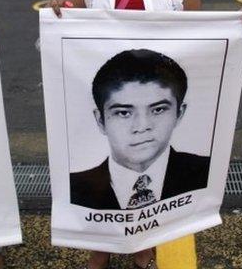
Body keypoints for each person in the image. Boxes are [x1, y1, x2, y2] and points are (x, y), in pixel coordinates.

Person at [46, 0, 242, 269]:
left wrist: (235, 30)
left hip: (156, 94)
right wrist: (61, 8)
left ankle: (144, 245)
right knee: (107, 173)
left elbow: (198, 36)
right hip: (113, 96)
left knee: (153, 173)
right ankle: (101, 247)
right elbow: (70, 28)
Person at [70, 49, 210, 210]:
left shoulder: (207, 172)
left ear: (179, 113)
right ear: (100, 120)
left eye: (158, 110)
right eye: (123, 113)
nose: (142, 127)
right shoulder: (72, 189)